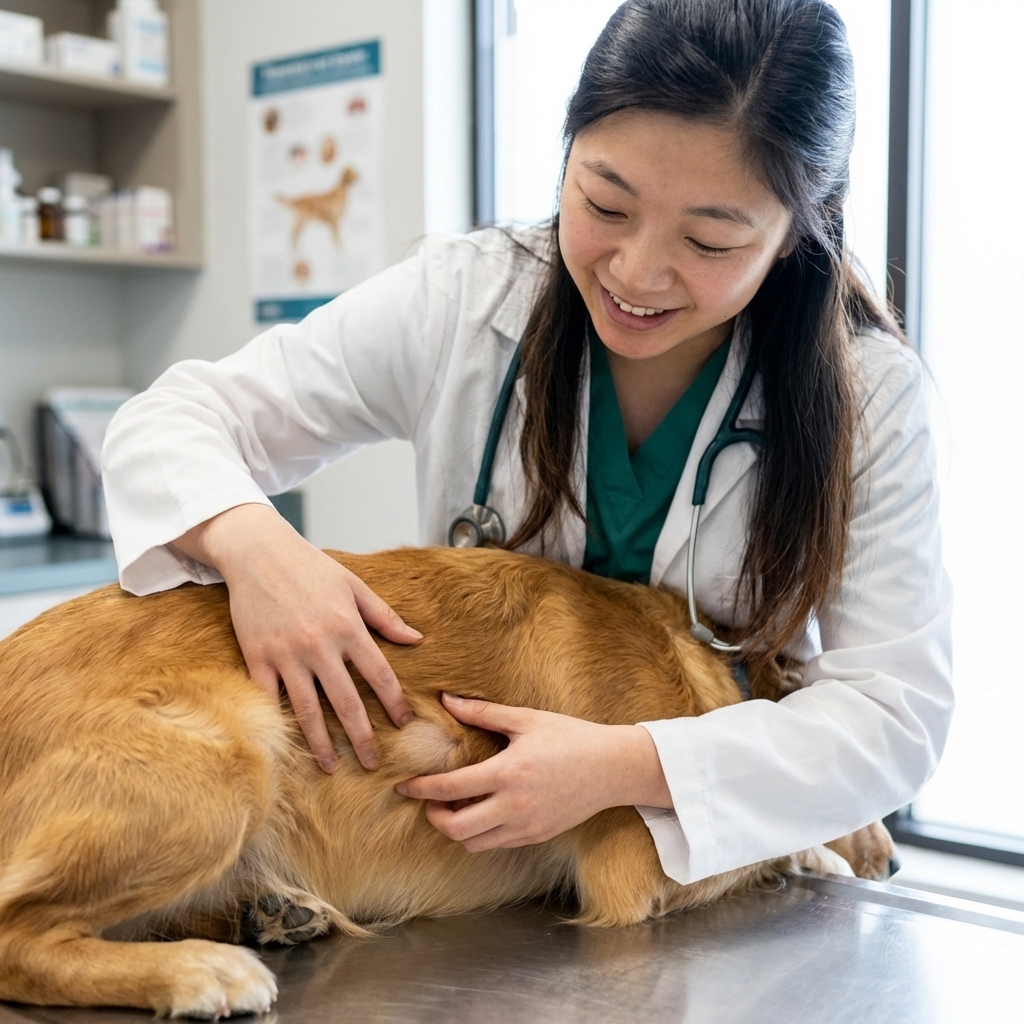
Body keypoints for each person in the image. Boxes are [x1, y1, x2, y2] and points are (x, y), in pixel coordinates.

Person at [102, 0, 952, 886]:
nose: (635, 272)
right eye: (604, 203)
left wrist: (623, 767)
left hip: (680, 854)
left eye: (709, 239)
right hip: (459, 855)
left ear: (792, 236)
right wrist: (258, 548)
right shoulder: (469, 301)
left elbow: (894, 716)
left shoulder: (872, 398)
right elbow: (171, 420)